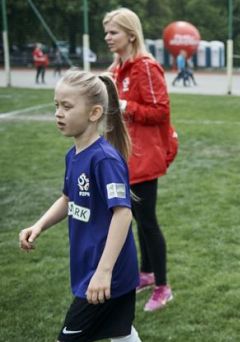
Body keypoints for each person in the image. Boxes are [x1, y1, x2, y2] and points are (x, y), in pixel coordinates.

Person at [19, 69, 141, 342]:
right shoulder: (74, 155)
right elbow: (68, 198)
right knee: (122, 334)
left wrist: (104, 271)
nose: (58, 113)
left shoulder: (104, 160)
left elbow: (123, 214)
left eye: (67, 106)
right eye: (56, 106)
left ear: (94, 113)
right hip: (92, 268)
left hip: (106, 272)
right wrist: (39, 225)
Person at [104, 7, 177, 312]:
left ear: (131, 34)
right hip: (123, 156)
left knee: (148, 223)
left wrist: (124, 105)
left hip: (144, 158)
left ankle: (163, 287)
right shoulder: (116, 68)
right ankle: (146, 274)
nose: (108, 37)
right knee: (132, 219)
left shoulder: (145, 67)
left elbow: (160, 111)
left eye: (113, 32)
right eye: (106, 32)